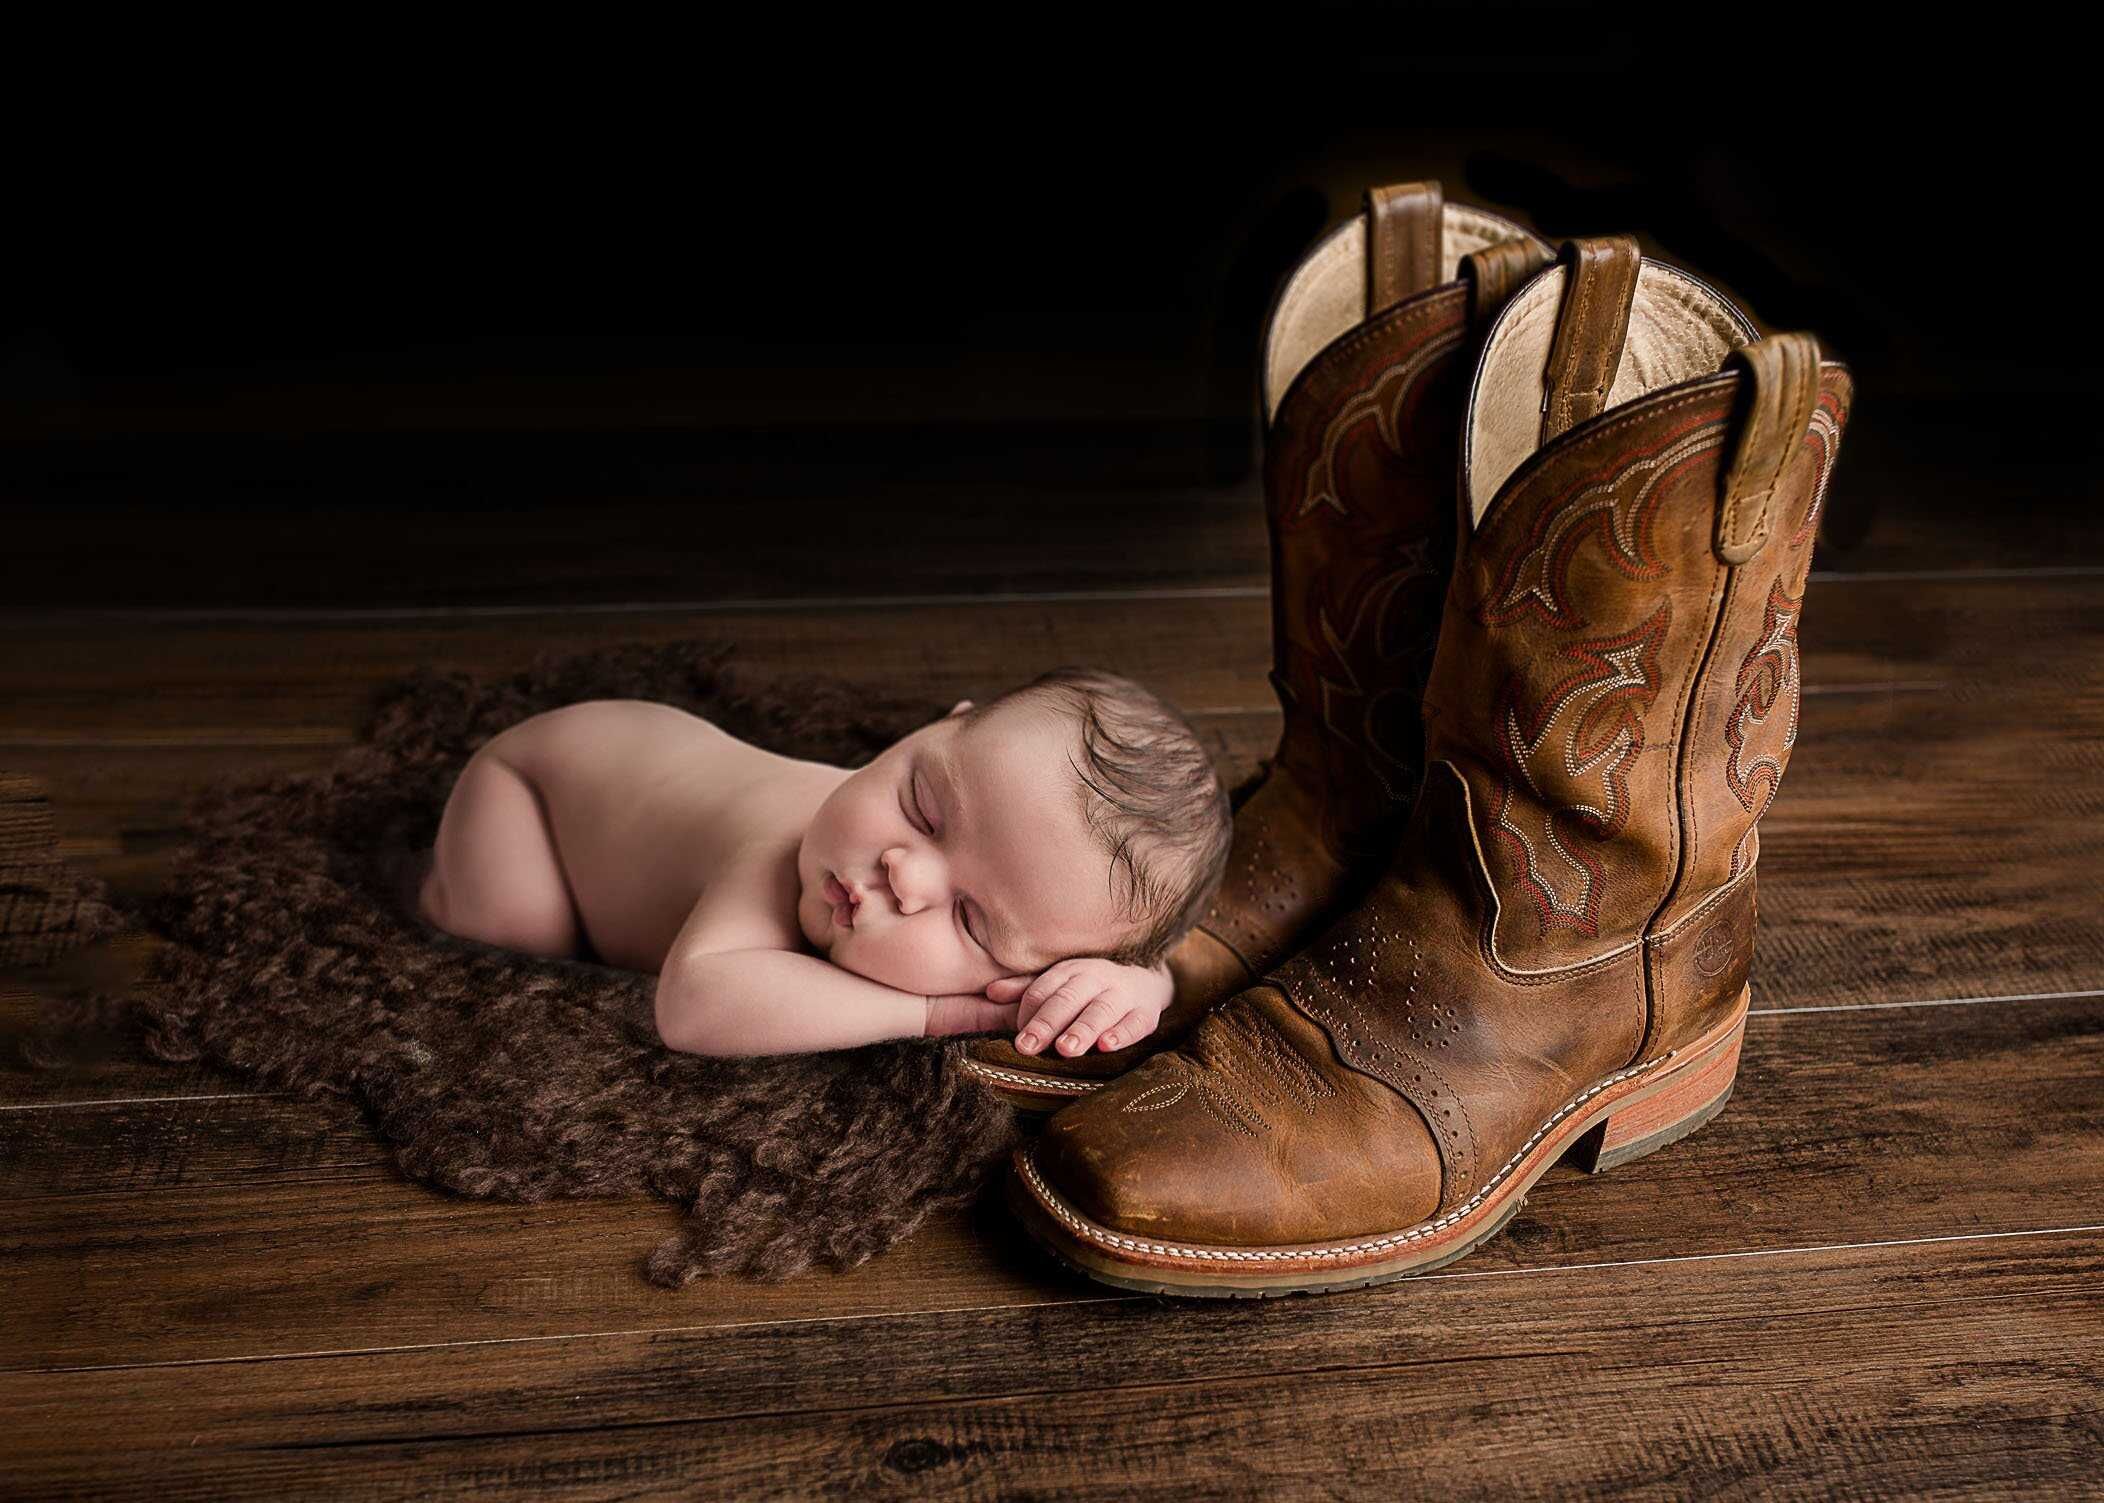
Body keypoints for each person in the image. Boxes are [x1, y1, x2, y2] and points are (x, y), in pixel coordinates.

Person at [412, 667, 1231, 1058]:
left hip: (626, 763)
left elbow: (1107, 944)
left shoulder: (1034, 884)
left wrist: (1138, 981)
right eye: (924, 808)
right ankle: (433, 877)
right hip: (541, 789)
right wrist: (935, 1013)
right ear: (936, 727)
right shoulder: (775, 850)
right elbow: (695, 1006)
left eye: (971, 918)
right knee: (515, 930)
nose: (903, 874)